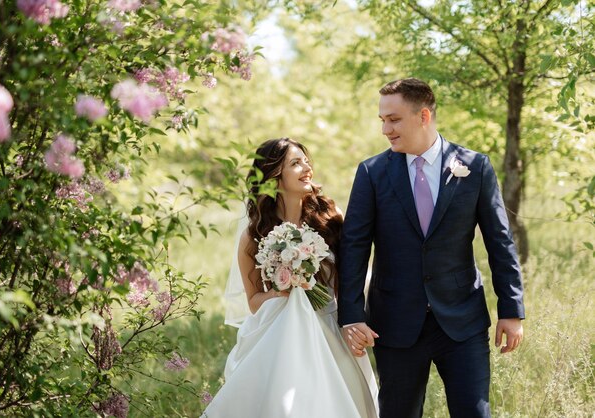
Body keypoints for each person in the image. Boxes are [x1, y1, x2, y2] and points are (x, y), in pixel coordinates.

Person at [337, 78, 525, 418]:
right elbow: (354, 247)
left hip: (462, 320)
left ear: (423, 116)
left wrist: (511, 311)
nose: (386, 129)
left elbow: (500, 241)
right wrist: (351, 315)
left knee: (474, 412)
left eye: (393, 119)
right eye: (382, 120)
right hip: (394, 323)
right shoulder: (372, 172)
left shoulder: (476, 166)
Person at [202, 138, 379, 418]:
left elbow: (346, 283)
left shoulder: (330, 220)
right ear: (275, 176)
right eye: (295, 163)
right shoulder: (255, 234)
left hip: (328, 328)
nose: (307, 168)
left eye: (306, 161)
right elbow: (254, 300)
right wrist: (286, 289)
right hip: (279, 334)